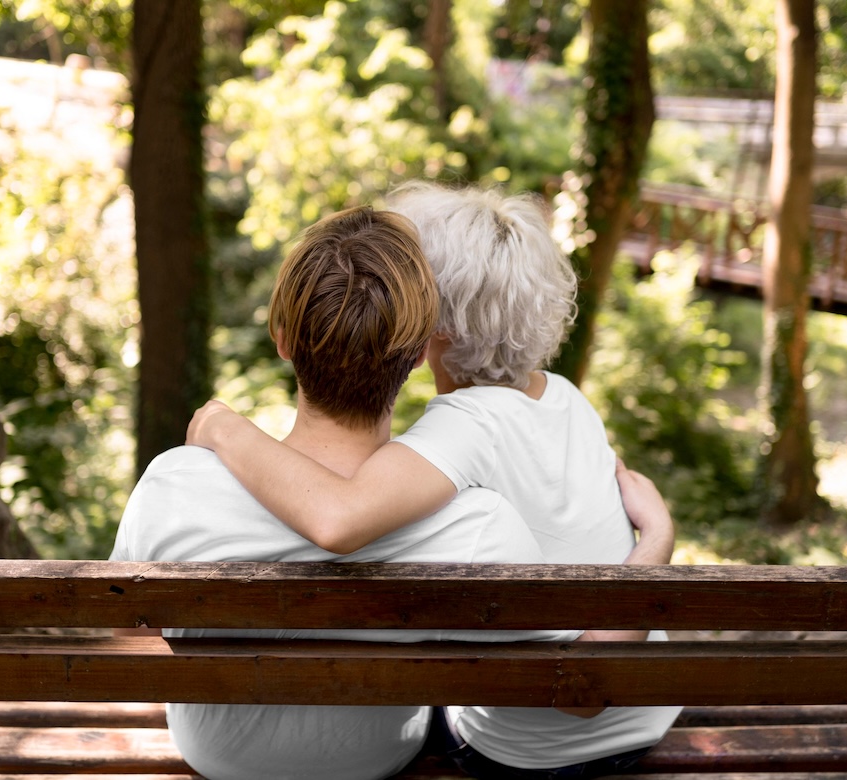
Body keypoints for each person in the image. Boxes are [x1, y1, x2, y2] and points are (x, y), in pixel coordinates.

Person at [186, 183, 682, 778]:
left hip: (532, 752)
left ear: (432, 321)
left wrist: (225, 429)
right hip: (648, 716)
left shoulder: (461, 429)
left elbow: (336, 518)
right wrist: (656, 536)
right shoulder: (566, 398)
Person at [110, 205, 579, 780]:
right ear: (414, 359)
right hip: (376, 758)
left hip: (215, 755)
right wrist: (655, 537)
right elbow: (566, 666)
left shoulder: (172, 486)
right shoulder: (478, 525)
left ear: (282, 340)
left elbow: (124, 630)